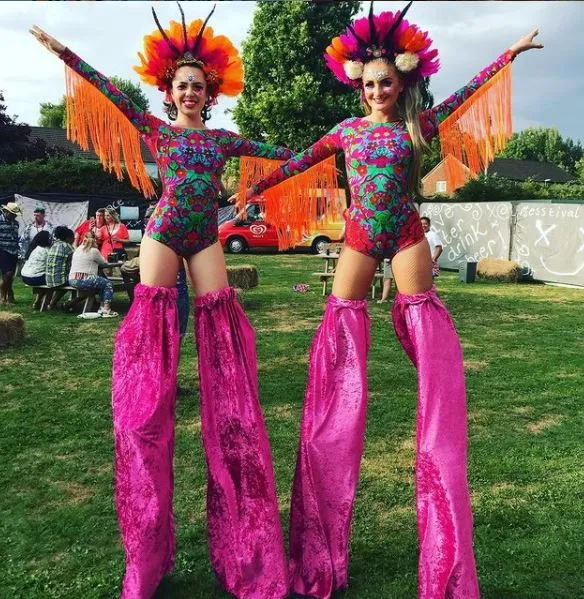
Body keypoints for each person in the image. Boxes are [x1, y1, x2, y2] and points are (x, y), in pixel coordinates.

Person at [242, 3, 543, 597]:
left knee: (433, 353)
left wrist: (508, 55)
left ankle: (442, 474)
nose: (378, 89)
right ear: (360, 86)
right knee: (337, 355)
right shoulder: (346, 133)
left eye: (387, 81)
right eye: (370, 82)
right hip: (359, 235)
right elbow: (296, 161)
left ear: (400, 82)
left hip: (405, 232)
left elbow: (462, 96)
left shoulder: (415, 128)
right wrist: (255, 185)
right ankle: (321, 532)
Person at [31, 5, 298, 598]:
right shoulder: (157, 130)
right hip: (161, 233)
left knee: (224, 350)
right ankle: (147, 547)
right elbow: (107, 90)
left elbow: (281, 155)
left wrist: (337, 144)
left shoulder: (224, 140)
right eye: (182, 86)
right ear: (169, 90)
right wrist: (62, 53)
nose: (191, 93)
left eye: (199, 87)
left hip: (204, 237)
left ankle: (244, 536)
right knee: (151, 352)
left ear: (211, 94)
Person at [66, 232, 117, 317]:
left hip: (72, 279)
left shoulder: (78, 249)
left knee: (101, 283)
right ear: (95, 240)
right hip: (84, 279)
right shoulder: (94, 251)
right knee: (108, 284)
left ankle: (101, 307)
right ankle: (106, 308)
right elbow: (103, 263)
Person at [46, 226, 75, 310]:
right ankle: (71, 304)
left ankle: (51, 304)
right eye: (73, 238)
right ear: (68, 238)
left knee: (62, 278)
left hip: (48, 278)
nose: (73, 240)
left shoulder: (53, 245)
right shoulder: (68, 247)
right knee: (75, 280)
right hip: (59, 280)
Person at [0, 202, 22, 304]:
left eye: (15, 214)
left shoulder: (16, 223)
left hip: (14, 251)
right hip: (3, 250)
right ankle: (4, 294)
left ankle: (8, 293)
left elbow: (16, 238)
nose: (14, 216)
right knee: (7, 274)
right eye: (12, 214)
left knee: (10, 276)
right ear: (6, 211)